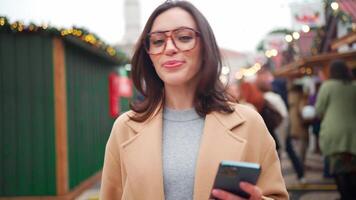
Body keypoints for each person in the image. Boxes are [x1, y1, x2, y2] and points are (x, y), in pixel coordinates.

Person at [100, 1, 288, 199]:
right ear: (148, 54)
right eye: (157, 41)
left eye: (183, 37)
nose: (169, 48)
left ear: (205, 46)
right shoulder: (125, 128)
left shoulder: (250, 123)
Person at [315, 60, 356, 200]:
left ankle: (344, 195)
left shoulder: (327, 86)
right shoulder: (354, 86)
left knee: (338, 169)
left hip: (334, 133)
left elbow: (319, 110)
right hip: (353, 135)